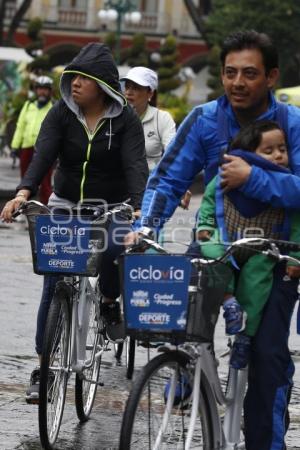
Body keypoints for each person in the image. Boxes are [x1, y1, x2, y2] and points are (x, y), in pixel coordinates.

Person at [125, 30, 300, 450]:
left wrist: (253, 178)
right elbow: (167, 179)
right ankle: (185, 370)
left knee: (266, 359)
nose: (238, 82)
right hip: (214, 244)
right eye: (230, 73)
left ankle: (264, 433)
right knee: (178, 320)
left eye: (250, 74)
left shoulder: (291, 125)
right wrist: (146, 227)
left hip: (278, 257)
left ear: (272, 76)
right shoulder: (204, 119)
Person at [1, 42, 148, 404]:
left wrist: (140, 207)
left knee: (117, 246)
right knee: (53, 283)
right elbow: (43, 154)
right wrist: (23, 192)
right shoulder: (61, 113)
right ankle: (44, 366)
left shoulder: (125, 119)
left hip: (111, 206)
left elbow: (135, 166)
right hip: (65, 204)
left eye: (84, 78)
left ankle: (110, 300)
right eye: (73, 77)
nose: (75, 84)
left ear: (102, 85)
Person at [196, 120, 300, 369]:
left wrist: (296, 256)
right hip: (226, 240)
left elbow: (296, 223)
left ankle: (245, 336)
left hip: (262, 248)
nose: (278, 155)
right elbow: (210, 201)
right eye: (268, 150)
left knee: (257, 283)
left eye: (282, 149)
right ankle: (229, 300)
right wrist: (205, 226)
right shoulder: (226, 175)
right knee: (211, 255)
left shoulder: (287, 185)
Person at [121, 66, 191, 208]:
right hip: (119, 191)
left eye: (136, 88)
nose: (128, 92)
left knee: (149, 229)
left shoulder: (162, 118)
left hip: (149, 191)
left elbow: (174, 153)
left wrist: (178, 185)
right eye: (127, 87)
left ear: (150, 93)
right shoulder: (115, 117)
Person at [11, 76, 54, 205]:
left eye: (45, 89)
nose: (42, 92)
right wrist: (14, 146)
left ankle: (47, 212)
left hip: (45, 150)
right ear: (35, 90)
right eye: (39, 89)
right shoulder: (28, 105)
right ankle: (23, 210)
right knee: (25, 181)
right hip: (27, 148)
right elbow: (20, 126)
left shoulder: (54, 108)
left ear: (50, 91)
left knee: (45, 183)